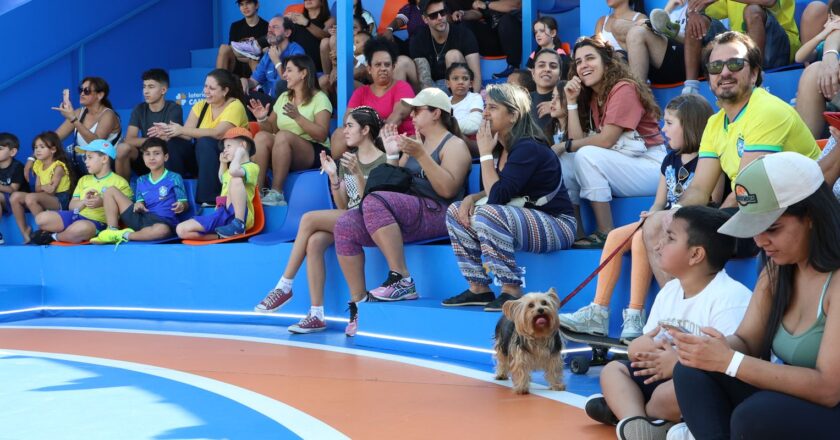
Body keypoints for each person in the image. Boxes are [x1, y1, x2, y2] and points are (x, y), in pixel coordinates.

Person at [671, 152, 840, 440]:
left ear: (811, 217)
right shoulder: (777, 270)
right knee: (690, 372)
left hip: (830, 403)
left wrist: (729, 361)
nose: (760, 242)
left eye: (772, 228)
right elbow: (747, 342)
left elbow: (828, 389)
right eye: (754, 230)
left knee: (757, 415)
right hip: (802, 402)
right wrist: (711, 348)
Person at [642, 31, 820, 291]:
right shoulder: (715, 123)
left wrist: (700, 220)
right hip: (755, 207)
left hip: (791, 208)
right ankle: (675, 310)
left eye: (735, 64)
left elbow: (747, 189)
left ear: (754, 73)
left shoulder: (766, 109)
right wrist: (676, 212)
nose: (724, 72)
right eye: (715, 66)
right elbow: (700, 188)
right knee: (657, 224)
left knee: (686, 233)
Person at [560, 94, 722, 343]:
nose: (662, 129)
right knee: (615, 235)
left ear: (689, 125)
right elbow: (659, 201)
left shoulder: (709, 159)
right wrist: (652, 213)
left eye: (669, 123)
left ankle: (635, 314)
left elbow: (713, 199)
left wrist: (661, 218)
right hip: (662, 220)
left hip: (689, 224)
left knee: (639, 240)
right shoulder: (669, 159)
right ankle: (598, 311)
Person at [586, 206, 751, 438]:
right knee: (612, 371)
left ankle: (631, 414)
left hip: (697, 383)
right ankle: (637, 422)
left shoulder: (730, 298)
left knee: (669, 394)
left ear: (696, 255)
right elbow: (646, 339)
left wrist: (676, 364)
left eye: (670, 238)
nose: (657, 246)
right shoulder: (670, 291)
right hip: (659, 372)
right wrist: (639, 347)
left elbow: (727, 368)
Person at [333, 88, 471, 334]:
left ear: (436, 113)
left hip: (439, 213)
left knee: (374, 200)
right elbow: (393, 183)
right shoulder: (418, 143)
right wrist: (393, 154)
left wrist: (420, 154)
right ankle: (359, 304)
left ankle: (402, 279)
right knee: (345, 224)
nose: (412, 114)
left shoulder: (455, 145)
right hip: (409, 211)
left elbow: (448, 190)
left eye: (418, 110)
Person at [440, 83, 576, 311]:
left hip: (558, 225)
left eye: (492, 108)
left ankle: (510, 289)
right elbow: (501, 190)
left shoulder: (528, 147)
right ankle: (478, 288)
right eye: (485, 106)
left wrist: (483, 154)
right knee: (455, 211)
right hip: (523, 219)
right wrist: (471, 198)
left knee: (488, 214)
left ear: (513, 115)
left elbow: (497, 198)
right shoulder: (503, 147)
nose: (485, 113)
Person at [254, 107, 387, 334]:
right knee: (314, 241)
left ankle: (285, 285)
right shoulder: (348, 159)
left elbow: (374, 205)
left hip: (371, 221)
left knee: (308, 219)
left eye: (350, 126)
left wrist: (356, 174)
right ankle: (316, 314)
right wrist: (335, 177)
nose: (344, 131)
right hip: (351, 218)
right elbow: (344, 205)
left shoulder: (384, 161)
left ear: (365, 130)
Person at [560, 37, 666, 249]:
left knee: (584, 154)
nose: (583, 66)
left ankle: (605, 232)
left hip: (653, 166)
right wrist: (571, 103)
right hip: (625, 163)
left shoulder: (623, 88)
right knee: (567, 160)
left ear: (607, 62)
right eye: (578, 62)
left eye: (590, 58)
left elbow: (606, 140)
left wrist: (565, 145)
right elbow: (577, 141)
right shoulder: (593, 96)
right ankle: (577, 231)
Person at [248, 54, 333, 206]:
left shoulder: (320, 98)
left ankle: (277, 193)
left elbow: (321, 135)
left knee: (283, 136)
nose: (284, 75)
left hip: (315, 152)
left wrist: (298, 117)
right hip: (283, 151)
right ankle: (256, 192)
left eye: (289, 70)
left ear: (303, 73)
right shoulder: (284, 97)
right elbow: (271, 129)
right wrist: (262, 119)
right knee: (261, 137)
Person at [158, 69, 249, 206]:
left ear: (225, 91)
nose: (206, 91)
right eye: (205, 86)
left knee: (205, 141)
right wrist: (169, 131)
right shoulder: (200, 106)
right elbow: (187, 135)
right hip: (204, 159)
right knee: (174, 142)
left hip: (228, 161)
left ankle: (209, 198)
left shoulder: (235, 106)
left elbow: (219, 133)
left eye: (211, 88)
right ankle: (173, 194)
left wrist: (181, 129)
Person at [681, 0, 800, 95]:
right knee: (697, 21)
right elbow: (700, 6)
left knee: (753, 10)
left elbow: (769, 1)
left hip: (780, 48)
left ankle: (756, 79)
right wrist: (693, 13)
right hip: (740, 48)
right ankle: (691, 88)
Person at [29, 140, 132, 245]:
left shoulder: (120, 182)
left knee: (79, 229)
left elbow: (127, 213)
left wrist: (102, 202)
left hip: (96, 223)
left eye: (90, 157)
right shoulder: (84, 179)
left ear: (104, 159)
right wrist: (84, 202)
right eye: (85, 157)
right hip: (75, 216)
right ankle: (66, 234)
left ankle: (53, 236)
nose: (85, 161)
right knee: (40, 219)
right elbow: (71, 207)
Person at [330, 37, 415, 160]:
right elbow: (347, 120)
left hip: (396, 143)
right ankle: (341, 173)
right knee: (339, 134)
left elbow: (397, 117)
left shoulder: (402, 87)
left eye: (387, 64)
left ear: (393, 67)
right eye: (377, 65)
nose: (383, 68)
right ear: (369, 69)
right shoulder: (361, 92)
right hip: (366, 141)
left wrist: (370, 134)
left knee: (385, 134)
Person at [91, 138, 188, 245]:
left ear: (165, 157)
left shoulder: (174, 177)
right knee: (110, 190)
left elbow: (184, 202)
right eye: (147, 154)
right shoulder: (141, 180)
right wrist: (138, 204)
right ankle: (111, 230)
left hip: (163, 222)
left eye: (156, 154)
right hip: (141, 218)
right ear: (143, 157)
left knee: (162, 231)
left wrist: (181, 205)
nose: (152, 158)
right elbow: (140, 201)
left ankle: (123, 235)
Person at [176, 128, 259, 240]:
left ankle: (239, 225)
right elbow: (222, 178)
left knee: (236, 179)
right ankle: (221, 236)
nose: (224, 150)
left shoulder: (252, 167)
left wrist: (239, 154)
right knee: (181, 230)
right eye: (224, 147)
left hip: (240, 215)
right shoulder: (230, 169)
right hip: (221, 214)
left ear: (243, 145)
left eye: (228, 146)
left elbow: (234, 172)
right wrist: (223, 163)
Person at [116, 68, 190, 180]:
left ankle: (171, 185)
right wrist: (152, 141)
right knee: (122, 148)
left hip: (166, 157)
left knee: (171, 145)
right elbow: (130, 139)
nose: (145, 91)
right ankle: (123, 189)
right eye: (144, 86)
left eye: (151, 87)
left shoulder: (173, 108)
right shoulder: (139, 109)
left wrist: (162, 138)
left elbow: (171, 138)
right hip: (146, 156)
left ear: (163, 90)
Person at [9, 132, 72, 244]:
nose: (37, 150)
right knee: (15, 196)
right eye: (35, 147)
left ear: (53, 150)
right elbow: (38, 188)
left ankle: (45, 230)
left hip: (60, 200)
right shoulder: (38, 164)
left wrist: (44, 188)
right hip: (45, 196)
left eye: (42, 147)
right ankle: (25, 232)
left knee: (31, 198)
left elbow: (52, 190)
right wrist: (44, 187)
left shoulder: (58, 166)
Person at [51, 77, 121, 177]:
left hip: (104, 164)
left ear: (100, 95)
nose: (82, 94)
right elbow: (55, 138)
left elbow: (96, 143)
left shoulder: (108, 115)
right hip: (83, 161)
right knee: (52, 154)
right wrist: (32, 158)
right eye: (81, 90)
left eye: (86, 91)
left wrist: (73, 119)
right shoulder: (79, 112)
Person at [410, 0, 482, 93]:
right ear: (425, 19)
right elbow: (424, 80)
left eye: (442, 12)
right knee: (403, 62)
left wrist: (474, 100)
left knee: (453, 55)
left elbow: (476, 76)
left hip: (459, 89)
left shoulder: (464, 34)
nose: (440, 18)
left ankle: (458, 103)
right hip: (431, 90)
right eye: (433, 16)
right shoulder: (418, 39)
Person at [449, 0, 523, 78]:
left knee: (507, 20)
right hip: (493, 41)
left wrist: (486, 5)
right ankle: (465, 71)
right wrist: (463, 14)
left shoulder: (488, 4)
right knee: (464, 24)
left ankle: (513, 68)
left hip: (513, 40)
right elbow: (478, 13)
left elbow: (516, 4)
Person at [242, 15, 306, 105]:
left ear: (287, 33)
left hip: (289, 103)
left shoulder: (296, 52)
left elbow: (289, 83)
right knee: (240, 92)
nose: (270, 31)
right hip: (270, 101)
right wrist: (244, 81)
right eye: (269, 27)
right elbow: (254, 81)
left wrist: (276, 61)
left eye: (275, 27)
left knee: (281, 84)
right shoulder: (268, 54)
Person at [218, 0, 269, 77]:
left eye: (248, 3)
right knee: (224, 48)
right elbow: (231, 50)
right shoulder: (235, 26)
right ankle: (219, 84)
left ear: (257, 5)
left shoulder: (267, 26)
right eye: (241, 4)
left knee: (255, 56)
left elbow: (266, 52)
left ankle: (258, 85)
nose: (245, 7)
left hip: (256, 66)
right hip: (237, 65)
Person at [287, 0, 334, 73]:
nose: (308, 0)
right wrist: (285, 22)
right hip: (297, 68)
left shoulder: (329, 20)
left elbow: (325, 35)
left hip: (318, 70)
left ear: (322, 2)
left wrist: (306, 23)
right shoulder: (296, 19)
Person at [447, 63, 484, 152]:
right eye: (455, 78)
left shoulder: (475, 97)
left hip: (470, 142)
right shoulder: (445, 101)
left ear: (470, 84)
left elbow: (474, 125)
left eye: (465, 78)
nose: (460, 82)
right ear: (448, 83)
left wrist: (448, 127)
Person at [0, 133, 27, 244]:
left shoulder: (17, 167)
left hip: (19, 204)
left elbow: (13, 189)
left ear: (12, 152)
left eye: (0, 149)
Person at [531, 49, 565, 130]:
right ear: (533, 73)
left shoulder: (566, 100)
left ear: (559, 75)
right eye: (541, 65)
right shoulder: (523, 101)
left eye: (553, 66)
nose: (547, 69)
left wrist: (560, 108)